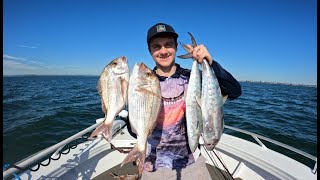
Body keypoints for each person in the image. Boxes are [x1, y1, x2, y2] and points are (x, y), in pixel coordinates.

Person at [140, 22, 242, 179]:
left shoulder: (191, 77)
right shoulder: (143, 83)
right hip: (152, 166)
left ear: (175, 47)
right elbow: (136, 127)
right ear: (150, 50)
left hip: (192, 164)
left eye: (168, 45)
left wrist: (210, 63)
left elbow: (235, 91)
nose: (163, 51)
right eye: (157, 46)